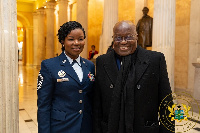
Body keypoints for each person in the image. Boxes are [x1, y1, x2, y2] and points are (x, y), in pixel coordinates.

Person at [93, 20, 174, 133]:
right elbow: (97, 105)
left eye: (128, 37)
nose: (123, 42)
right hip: (110, 128)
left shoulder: (155, 60)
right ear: (113, 38)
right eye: (118, 37)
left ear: (136, 36)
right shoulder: (102, 61)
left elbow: (166, 103)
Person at [37, 21, 95, 133]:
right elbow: (44, 106)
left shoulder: (89, 65)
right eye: (71, 39)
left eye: (81, 39)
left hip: (85, 126)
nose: (77, 43)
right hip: (61, 126)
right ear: (63, 41)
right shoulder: (49, 66)